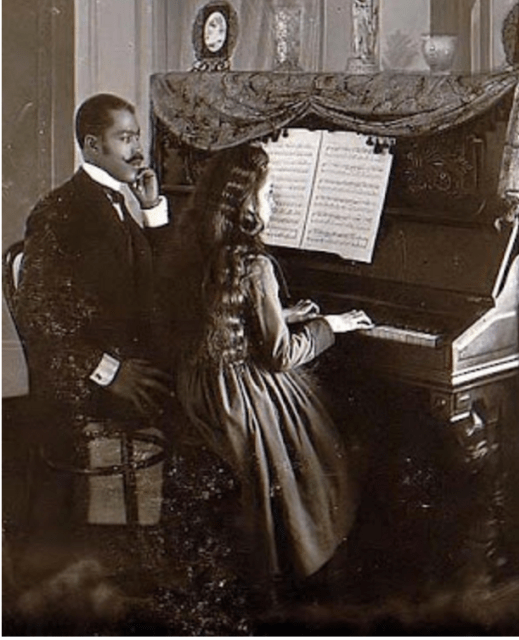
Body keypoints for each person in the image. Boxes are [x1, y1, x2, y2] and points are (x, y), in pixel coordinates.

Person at [173, 143, 373, 603]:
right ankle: (317, 567)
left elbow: (224, 314)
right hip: (240, 398)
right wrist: (331, 325)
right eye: (269, 193)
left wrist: (280, 313)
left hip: (202, 387)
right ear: (245, 203)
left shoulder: (198, 245)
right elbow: (280, 356)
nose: (276, 202)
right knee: (329, 439)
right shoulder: (256, 263)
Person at [15, 93, 172, 535]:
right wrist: (110, 372)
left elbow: (159, 282)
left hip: (124, 359)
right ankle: (139, 537)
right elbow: (38, 312)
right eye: (124, 138)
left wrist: (152, 211)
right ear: (92, 145)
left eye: (137, 136)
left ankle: (159, 527)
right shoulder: (59, 211)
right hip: (85, 383)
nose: (137, 149)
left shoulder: (118, 202)